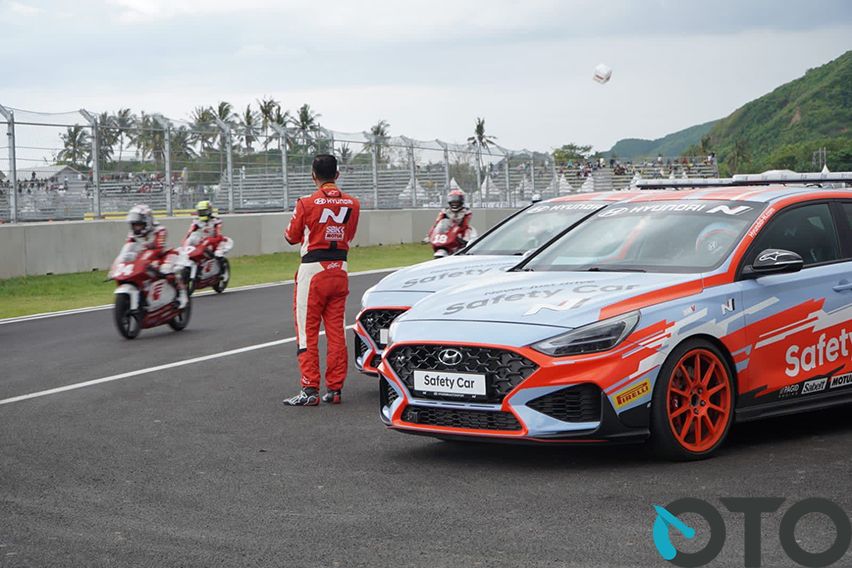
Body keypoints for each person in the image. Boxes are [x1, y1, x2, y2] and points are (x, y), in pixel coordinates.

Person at [283, 154, 360, 406]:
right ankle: (335, 389)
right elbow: (349, 233)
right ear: (337, 175)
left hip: (313, 272)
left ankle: (309, 389)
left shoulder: (305, 203)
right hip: (340, 269)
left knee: (307, 332)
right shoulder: (353, 203)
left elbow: (291, 237)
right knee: (337, 332)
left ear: (312, 175)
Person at [125, 204, 188, 308]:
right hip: (145, 258)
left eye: (138, 224)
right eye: (134, 224)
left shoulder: (160, 230)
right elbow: (128, 247)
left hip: (164, 255)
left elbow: (159, 247)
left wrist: (144, 249)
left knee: (166, 269)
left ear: (147, 222)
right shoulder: (132, 234)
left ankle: (181, 294)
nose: (135, 227)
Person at [184, 200, 233, 270]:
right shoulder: (196, 221)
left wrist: (210, 240)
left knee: (221, 250)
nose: (202, 214)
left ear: (209, 211)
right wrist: (186, 244)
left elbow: (219, 236)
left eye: (204, 212)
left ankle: (222, 268)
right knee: (191, 238)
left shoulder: (216, 221)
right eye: (200, 212)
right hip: (202, 242)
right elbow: (188, 234)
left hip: (214, 241)